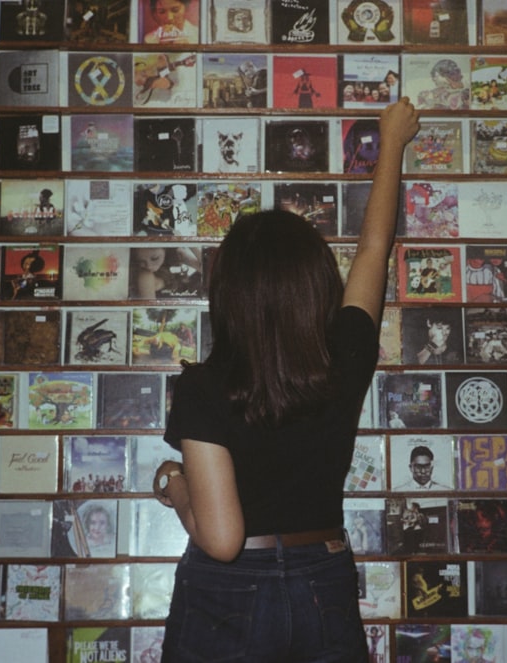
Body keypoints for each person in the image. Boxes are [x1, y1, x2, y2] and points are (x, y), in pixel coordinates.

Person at [154, 99, 419, 662]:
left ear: (229, 298)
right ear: (315, 284)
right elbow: (375, 250)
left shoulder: (204, 387)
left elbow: (222, 541)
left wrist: (174, 488)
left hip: (228, 595)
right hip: (324, 579)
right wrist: (391, 143)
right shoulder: (343, 359)